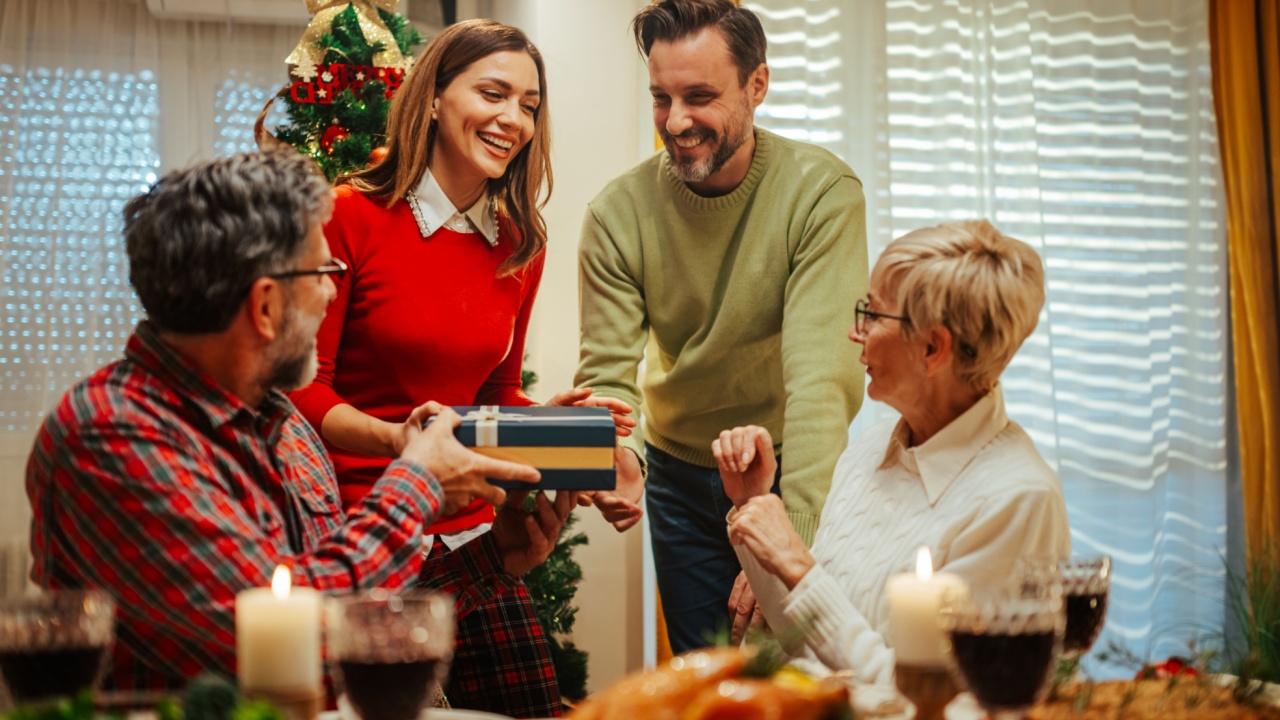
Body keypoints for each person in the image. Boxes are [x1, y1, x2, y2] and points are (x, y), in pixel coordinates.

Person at [24, 150, 576, 694]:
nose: (333, 290)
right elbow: (286, 640)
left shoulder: (285, 426)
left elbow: (335, 599)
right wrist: (419, 485)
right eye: (323, 271)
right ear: (265, 307)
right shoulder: (110, 436)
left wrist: (491, 559)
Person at [286, 20, 631, 717]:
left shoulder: (518, 245)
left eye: (530, 105)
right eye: (494, 93)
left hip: (475, 539)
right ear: (435, 97)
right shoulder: (349, 215)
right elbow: (305, 393)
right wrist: (401, 444)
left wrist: (565, 437)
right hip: (367, 533)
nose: (514, 119)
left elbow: (494, 397)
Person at [574, 0, 868, 653]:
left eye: (700, 96)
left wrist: (786, 531)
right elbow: (607, 377)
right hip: (679, 477)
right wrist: (618, 458)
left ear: (756, 86)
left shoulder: (820, 194)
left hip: (792, 465)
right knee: (711, 672)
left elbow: (824, 380)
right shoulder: (617, 214)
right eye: (661, 98)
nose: (675, 122)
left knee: (799, 667)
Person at [714, 220, 1072, 682]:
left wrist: (798, 564)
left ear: (932, 348)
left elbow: (932, 699)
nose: (854, 332)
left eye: (874, 314)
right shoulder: (872, 447)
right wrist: (753, 503)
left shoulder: (1018, 501)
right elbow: (804, 638)